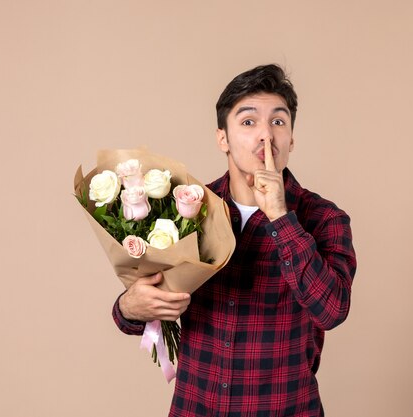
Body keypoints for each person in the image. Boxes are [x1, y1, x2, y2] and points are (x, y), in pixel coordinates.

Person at [112, 64, 357, 417]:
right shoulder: (188, 208)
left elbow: (332, 310)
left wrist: (280, 217)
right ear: (222, 138)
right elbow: (139, 307)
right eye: (248, 122)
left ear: (291, 138)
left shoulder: (324, 218)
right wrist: (128, 308)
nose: (265, 136)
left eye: (278, 122)